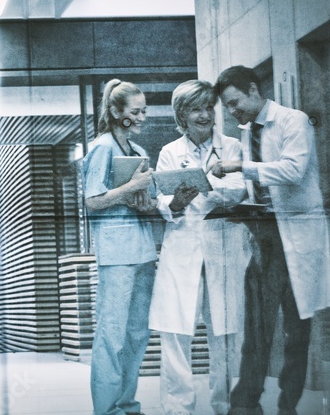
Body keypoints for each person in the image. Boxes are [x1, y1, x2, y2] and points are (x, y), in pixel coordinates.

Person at [209, 65, 330, 415]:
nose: (233, 112)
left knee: (297, 329)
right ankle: (245, 405)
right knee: (257, 326)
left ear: (253, 89)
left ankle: (287, 405)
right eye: (228, 108)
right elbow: (256, 186)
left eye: (235, 103)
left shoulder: (294, 121)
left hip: (297, 236)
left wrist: (240, 168)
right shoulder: (250, 132)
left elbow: (292, 171)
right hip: (265, 237)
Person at [148, 80, 254, 415]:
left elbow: (239, 191)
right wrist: (176, 203)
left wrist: (205, 186)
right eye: (196, 108)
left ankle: (226, 405)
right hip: (183, 249)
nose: (205, 115)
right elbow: (163, 203)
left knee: (225, 332)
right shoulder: (169, 152)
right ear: (182, 115)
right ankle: (178, 408)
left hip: (224, 248)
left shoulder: (233, 147)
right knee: (176, 333)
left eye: (209, 107)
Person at [83, 79, 157, 415]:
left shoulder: (139, 153)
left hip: (142, 251)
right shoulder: (102, 147)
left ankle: (128, 404)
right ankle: (107, 409)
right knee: (112, 335)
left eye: (144, 111)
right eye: (135, 111)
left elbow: (141, 200)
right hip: (116, 255)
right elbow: (93, 201)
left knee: (137, 335)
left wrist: (147, 200)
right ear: (116, 112)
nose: (142, 117)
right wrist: (132, 187)